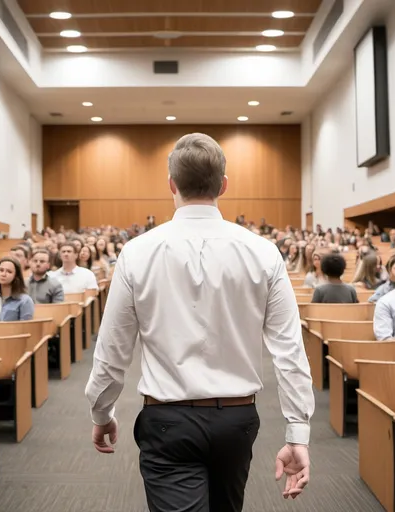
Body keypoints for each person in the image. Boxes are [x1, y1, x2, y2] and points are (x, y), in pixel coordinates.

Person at [85, 132, 314, 512]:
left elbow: (112, 350)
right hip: (237, 420)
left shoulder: (137, 252)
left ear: (171, 184)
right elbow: (289, 350)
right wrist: (297, 432)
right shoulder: (263, 252)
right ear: (224, 185)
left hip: (166, 419)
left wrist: (102, 412)